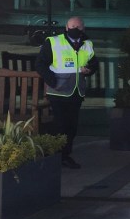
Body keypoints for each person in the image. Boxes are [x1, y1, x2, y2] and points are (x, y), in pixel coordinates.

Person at [35, 15, 96, 169]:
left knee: (72, 126)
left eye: (78, 27)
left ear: (83, 28)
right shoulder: (54, 42)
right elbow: (40, 64)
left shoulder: (87, 44)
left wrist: (89, 70)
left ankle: (64, 156)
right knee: (60, 125)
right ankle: (55, 156)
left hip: (76, 91)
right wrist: (52, 81)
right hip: (59, 92)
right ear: (66, 28)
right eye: (72, 27)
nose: (75, 30)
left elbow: (94, 62)